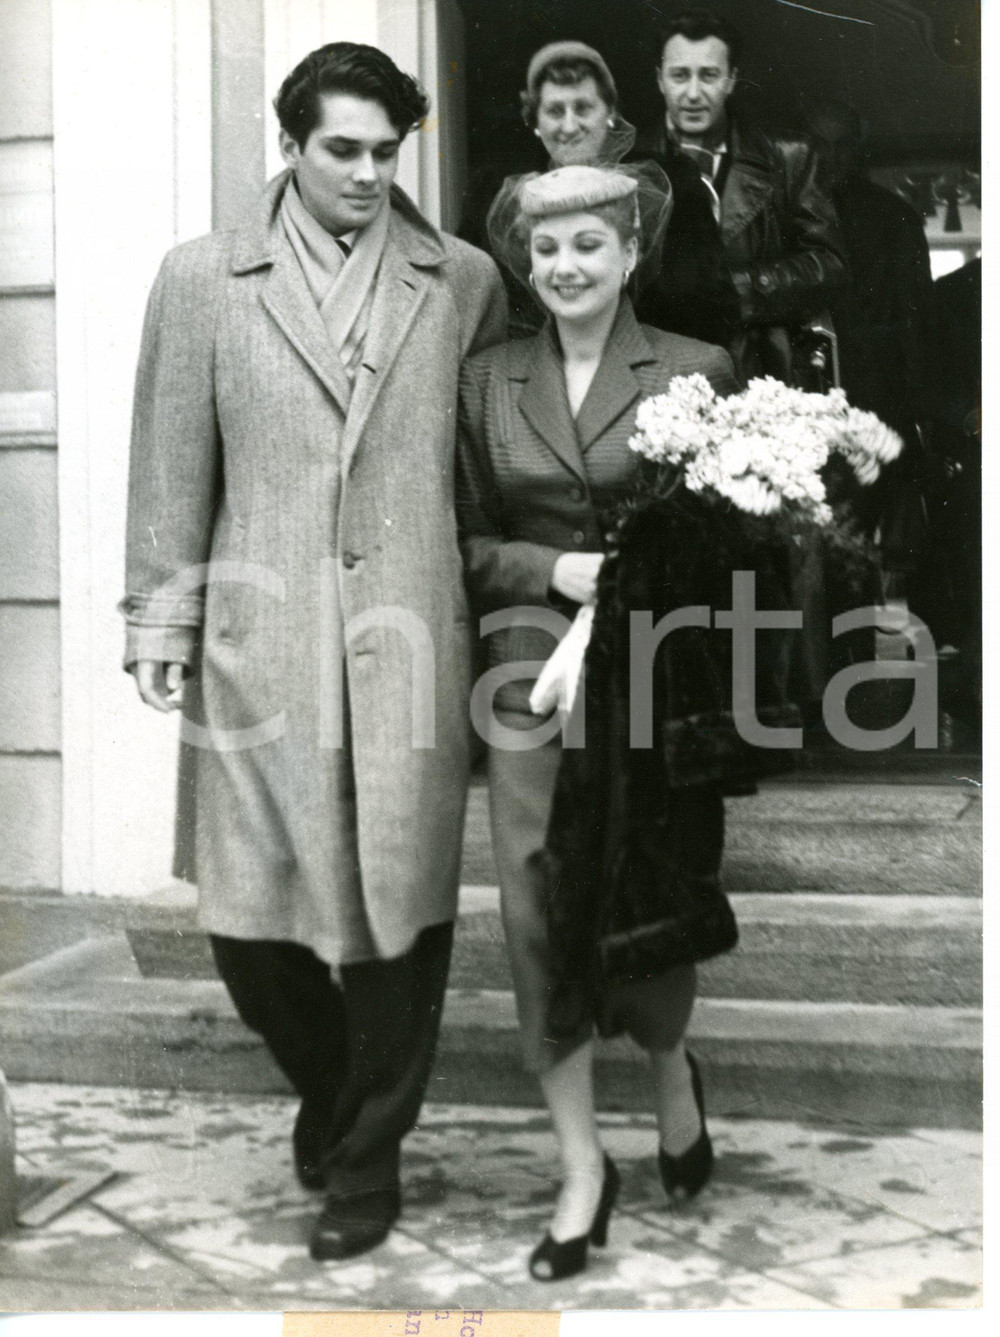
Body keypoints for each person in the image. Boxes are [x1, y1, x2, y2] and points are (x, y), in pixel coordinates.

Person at [120, 41, 506, 1262]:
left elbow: (479, 472)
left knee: (399, 912)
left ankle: (365, 1162)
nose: (366, 173)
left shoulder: (463, 281)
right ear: (290, 146)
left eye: (387, 153)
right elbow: (170, 464)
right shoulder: (202, 281)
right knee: (247, 920)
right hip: (259, 639)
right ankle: (340, 1096)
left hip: (408, 636)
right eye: (342, 149)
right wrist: (158, 619)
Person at [456, 164, 741, 1282]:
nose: (565, 266)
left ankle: (671, 1064)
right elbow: (465, 542)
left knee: (651, 877)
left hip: (654, 660)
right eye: (547, 250)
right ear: (525, 262)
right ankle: (580, 1163)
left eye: (588, 245)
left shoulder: (695, 369)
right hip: (525, 669)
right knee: (537, 894)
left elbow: (726, 540)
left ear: (630, 252)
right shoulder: (485, 384)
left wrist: (636, 578)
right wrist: (551, 565)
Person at [461, 39, 733, 347]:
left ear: (610, 113)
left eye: (583, 107)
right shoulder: (496, 196)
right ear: (535, 121)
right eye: (554, 110)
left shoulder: (672, 185)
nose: (569, 125)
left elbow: (708, 308)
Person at [652, 8, 847, 383]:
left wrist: (735, 290)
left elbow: (831, 265)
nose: (693, 93)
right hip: (664, 374)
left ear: (732, 79)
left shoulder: (790, 157)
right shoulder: (632, 162)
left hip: (765, 373)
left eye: (709, 75)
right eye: (680, 75)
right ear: (660, 79)